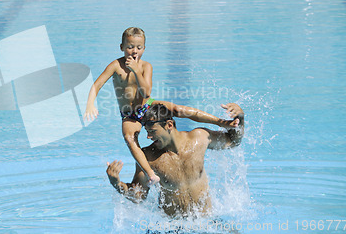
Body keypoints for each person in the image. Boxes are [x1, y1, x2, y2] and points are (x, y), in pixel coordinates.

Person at [85, 27, 239, 185]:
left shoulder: (146, 67)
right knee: (130, 138)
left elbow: (146, 93)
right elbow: (96, 85)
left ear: (144, 48)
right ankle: (150, 173)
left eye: (139, 47)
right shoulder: (116, 65)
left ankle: (221, 122)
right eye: (130, 46)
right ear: (122, 47)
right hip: (130, 116)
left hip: (148, 105)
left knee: (179, 109)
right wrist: (90, 104)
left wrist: (137, 71)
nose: (134, 51)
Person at [105, 102, 245, 218]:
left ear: (169, 125)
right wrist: (116, 183)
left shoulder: (199, 138)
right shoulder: (148, 157)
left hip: (206, 223)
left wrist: (240, 117)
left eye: (152, 132)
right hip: (171, 228)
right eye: (147, 132)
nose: (148, 137)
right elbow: (138, 197)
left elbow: (233, 141)